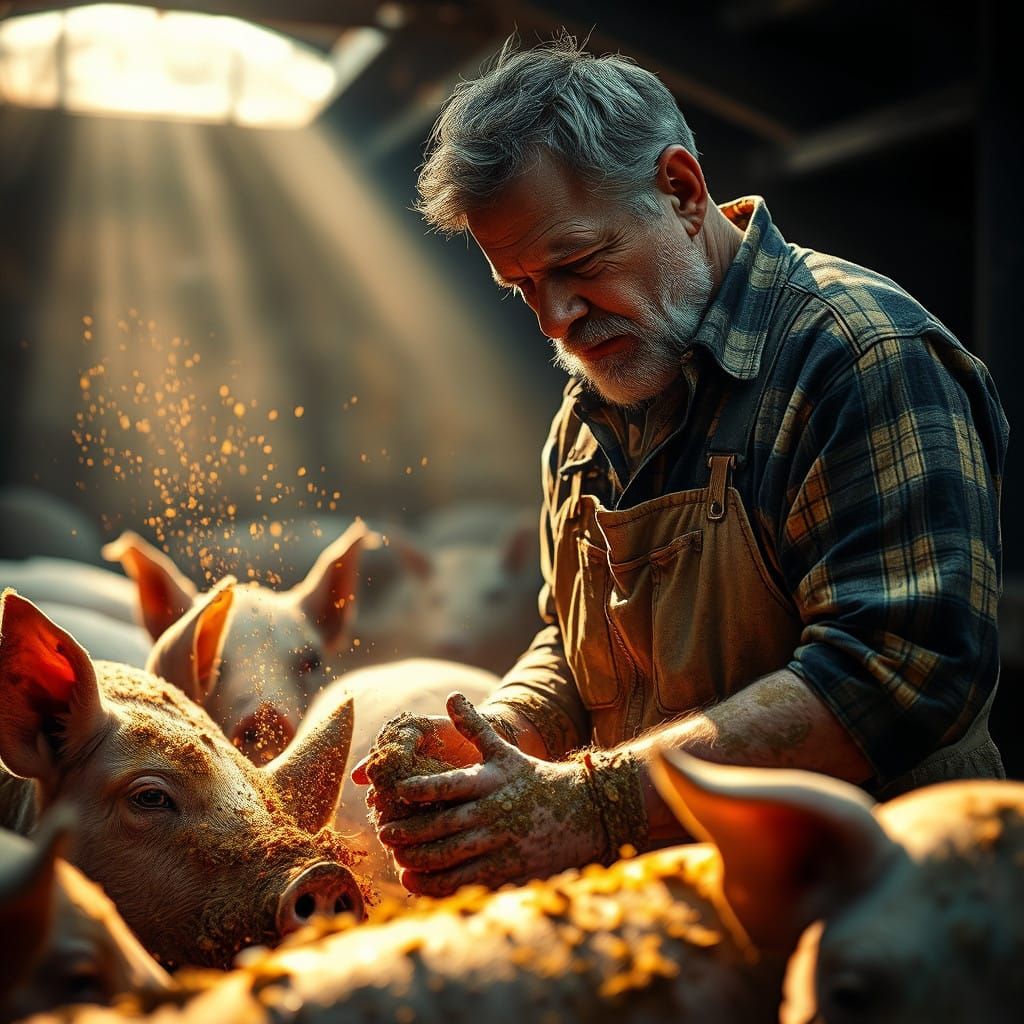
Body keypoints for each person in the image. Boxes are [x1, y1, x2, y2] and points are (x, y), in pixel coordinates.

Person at [352, 35, 1009, 898]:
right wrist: (495, 734)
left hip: (885, 909)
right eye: (523, 287)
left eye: (576, 263)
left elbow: (894, 670)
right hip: (684, 906)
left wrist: (597, 804)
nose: (554, 320)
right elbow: (574, 648)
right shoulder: (588, 417)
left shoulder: (858, 358)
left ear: (681, 190)